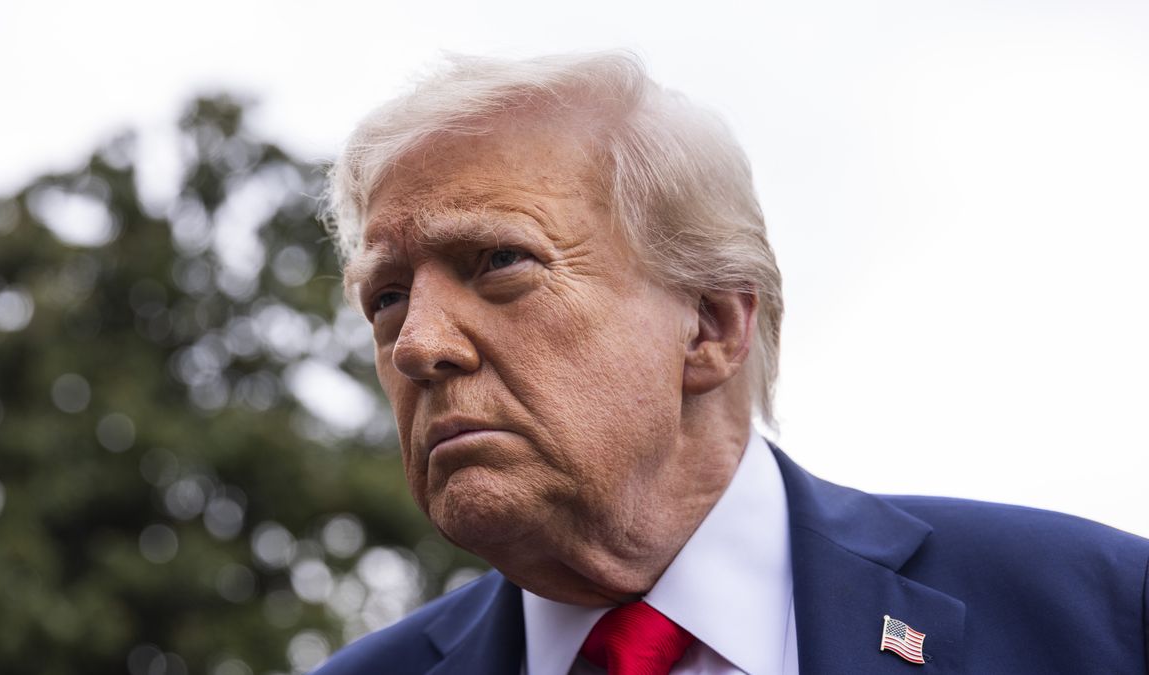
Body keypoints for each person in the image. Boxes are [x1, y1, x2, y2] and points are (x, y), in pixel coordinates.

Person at [312, 52, 1149, 674]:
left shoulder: (1101, 613)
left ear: (710, 325)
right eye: (387, 298)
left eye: (500, 261)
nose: (418, 343)